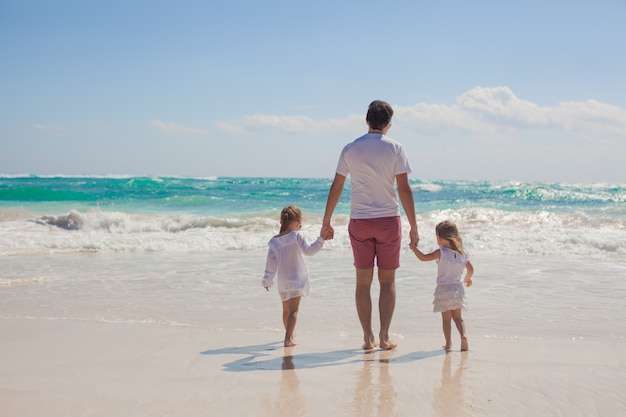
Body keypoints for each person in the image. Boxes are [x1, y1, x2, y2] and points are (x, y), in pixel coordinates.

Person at [321, 100, 419, 351]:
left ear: (366, 121)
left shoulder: (350, 149)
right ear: (388, 124)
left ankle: (367, 338)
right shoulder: (396, 148)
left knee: (362, 282)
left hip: (360, 222)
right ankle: (384, 337)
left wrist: (326, 221)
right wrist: (413, 225)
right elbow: (405, 190)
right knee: (388, 282)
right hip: (388, 221)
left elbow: (337, 187)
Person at [262, 205, 329, 347]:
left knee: (286, 310)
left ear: (282, 222)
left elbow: (271, 264)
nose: (301, 225)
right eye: (300, 222)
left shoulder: (274, 242)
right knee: (294, 310)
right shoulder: (295, 236)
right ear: (296, 222)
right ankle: (288, 339)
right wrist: (321, 239)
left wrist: (267, 280)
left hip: (283, 281)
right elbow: (309, 251)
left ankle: (289, 334)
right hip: (297, 279)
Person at [409, 220, 474, 352]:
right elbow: (471, 269)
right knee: (458, 318)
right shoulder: (462, 254)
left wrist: (414, 248)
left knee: (446, 319)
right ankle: (463, 335)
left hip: (444, 290)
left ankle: (448, 343)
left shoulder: (442, 252)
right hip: (458, 290)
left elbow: (423, 258)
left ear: (439, 238)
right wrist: (467, 279)